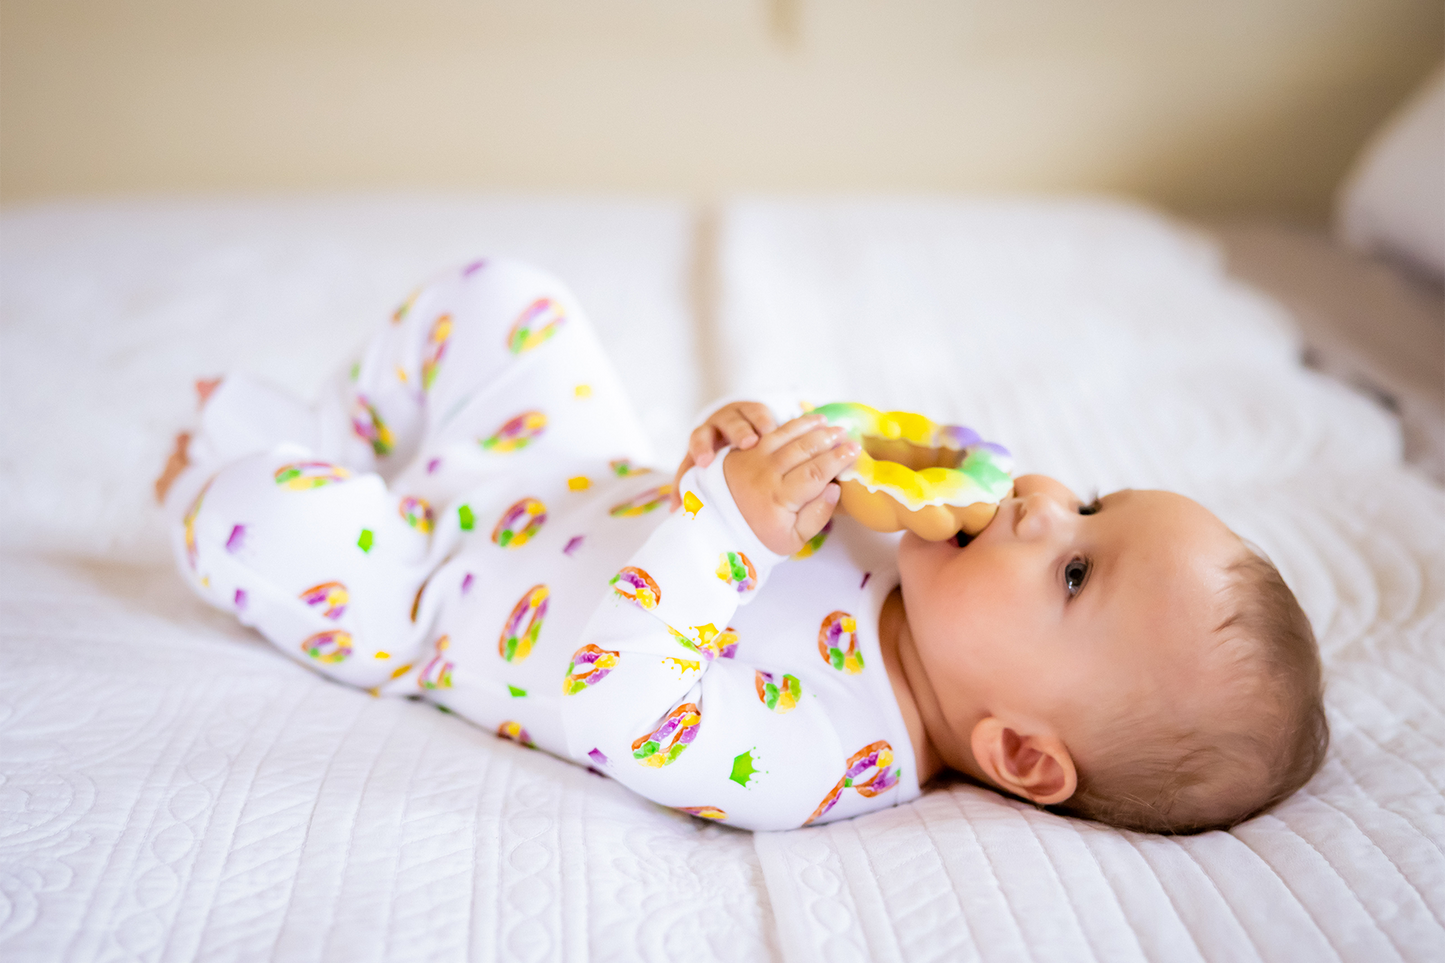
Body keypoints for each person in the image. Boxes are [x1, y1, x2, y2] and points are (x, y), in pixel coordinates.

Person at [156, 258, 1328, 833]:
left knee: (264, 518)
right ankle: (334, 426)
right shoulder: (903, 555)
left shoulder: (824, 755)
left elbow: (620, 697)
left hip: (431, 595)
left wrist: (729, 530)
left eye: (1074, 568)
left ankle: (231, 470)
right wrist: (719, 465)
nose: (1041, 498)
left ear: (1020, 754)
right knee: (505, 298)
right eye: (1095, 499)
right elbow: (697, 508)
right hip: (560, 472)